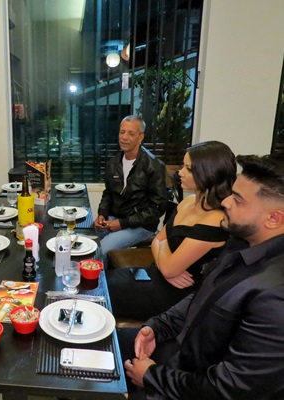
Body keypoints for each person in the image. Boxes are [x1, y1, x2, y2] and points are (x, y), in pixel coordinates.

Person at [122, 154, 284, 399]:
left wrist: (152, 377)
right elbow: (202, 298)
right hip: (180, 352)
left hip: (192, 383)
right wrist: (157, 327)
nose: (226, 202)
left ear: (273, 219)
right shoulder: (240, 243)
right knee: (101, 348)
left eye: (237, 200)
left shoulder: (275, 295)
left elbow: (231, 388)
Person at [107, 141, 235, 320]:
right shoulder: (188, 202)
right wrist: (165, 260)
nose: (180, 172)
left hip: (176, 296)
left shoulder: (216, 220)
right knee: (102, 281)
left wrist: (164, 251)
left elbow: (167, 261)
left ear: (209, 173)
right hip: (157, 275)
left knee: (101, 295)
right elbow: (157, 242)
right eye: (183, 166)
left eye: (188, 169)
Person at [94, 115, 168, 263]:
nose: (124, 137)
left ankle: (104, 278)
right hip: (116, 219)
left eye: (131, 133)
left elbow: (158, 207)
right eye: (122, 132)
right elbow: (108, 193)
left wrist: (123, 224)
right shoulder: (113, 162)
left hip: (141, 225)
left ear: (141, 137)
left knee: (101, 250)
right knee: (86, 238)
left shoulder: (154, 165)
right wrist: (102, 214)